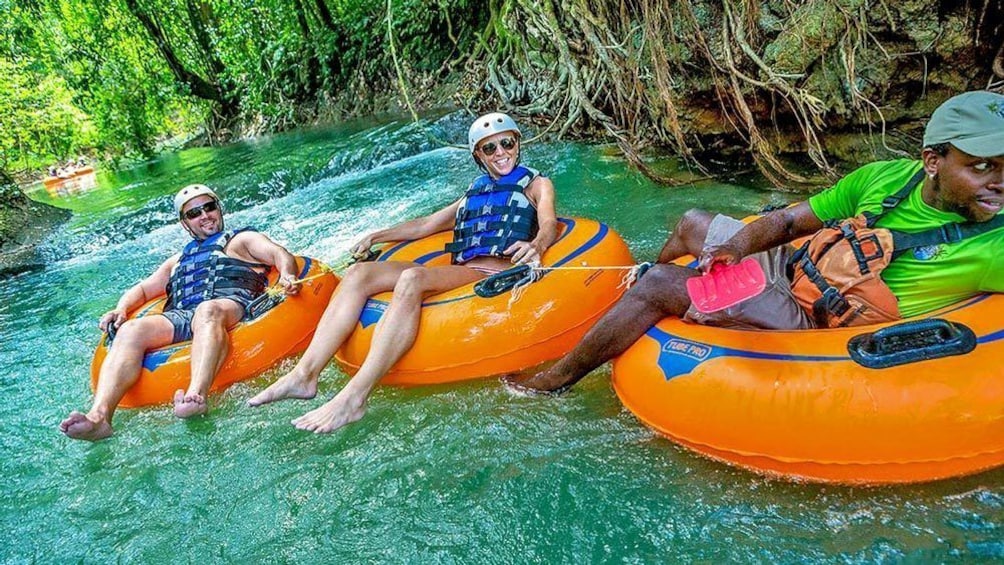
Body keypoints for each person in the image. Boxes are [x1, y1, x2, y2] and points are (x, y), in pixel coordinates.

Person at [507, 90, 1004, 394]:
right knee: (693, 221)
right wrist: (736, 250)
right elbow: (788, 222)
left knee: (661, 282)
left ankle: (557, 380)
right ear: (933, 161)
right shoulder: (885, 178)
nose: (997, 181)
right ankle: (639, 313)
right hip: (795, 266)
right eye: (982, 165)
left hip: (817, 321)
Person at [248, 112, 559, 432]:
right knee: (360, 274)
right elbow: (426, 225)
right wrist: (377, 235)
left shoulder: (537, 184)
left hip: (491, 274)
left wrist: (536, 245)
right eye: (489, 148)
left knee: (412, 278)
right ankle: (305, 375)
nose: (500, 153)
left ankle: (355, 397)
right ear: (478, 156)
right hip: (461, 271)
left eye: (506, 143)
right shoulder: (474, 191)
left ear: (518, 143)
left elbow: (548, 222)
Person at [60, 184, 302, 441]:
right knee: (131, 329)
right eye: (194, 213)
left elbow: (279, 254)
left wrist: (287, 275)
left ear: (219, 209)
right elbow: (143, 291)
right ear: (185, 223)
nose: (204, 215)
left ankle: (196, 395)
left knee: (207, 310)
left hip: (229, 304)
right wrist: (121, 309)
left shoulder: (241, 240)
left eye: (209, 207)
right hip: (184, 315)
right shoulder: (177, 260)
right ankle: (100, 417)